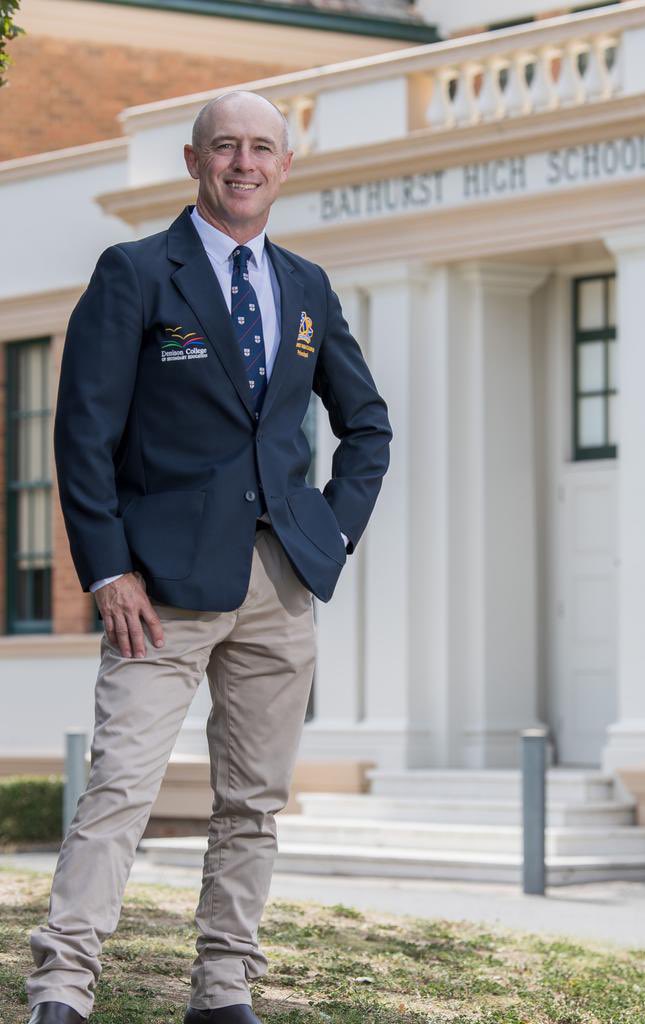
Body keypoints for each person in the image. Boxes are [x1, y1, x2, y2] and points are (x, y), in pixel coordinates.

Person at [25, 90, 392, 1024]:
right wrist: (107, 569)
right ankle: (62, 987)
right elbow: (83, 434)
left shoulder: (306, 286)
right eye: (224, 146)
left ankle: (224, 989)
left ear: (285, 167)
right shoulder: (136, 272)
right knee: (119, 791)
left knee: (253, 805)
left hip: (280, 585)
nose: (243, 162)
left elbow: (367, 426)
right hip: (159, 590)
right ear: (195, 162)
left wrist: (332, 532)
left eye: (261, 148)